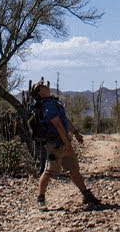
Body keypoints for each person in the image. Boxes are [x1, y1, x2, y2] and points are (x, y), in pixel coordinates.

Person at [32, 80, 103, 210]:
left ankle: (86, 195)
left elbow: (64, 119)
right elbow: (58, 125)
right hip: (56, 145)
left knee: (74, 170)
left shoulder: (53, 102)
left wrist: (75, 132)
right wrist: (67, 144)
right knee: (49, 171)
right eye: (41, 85)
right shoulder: (48, 105)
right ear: (39, 92)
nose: (45, 85)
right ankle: (40, 199)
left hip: (64, 143)